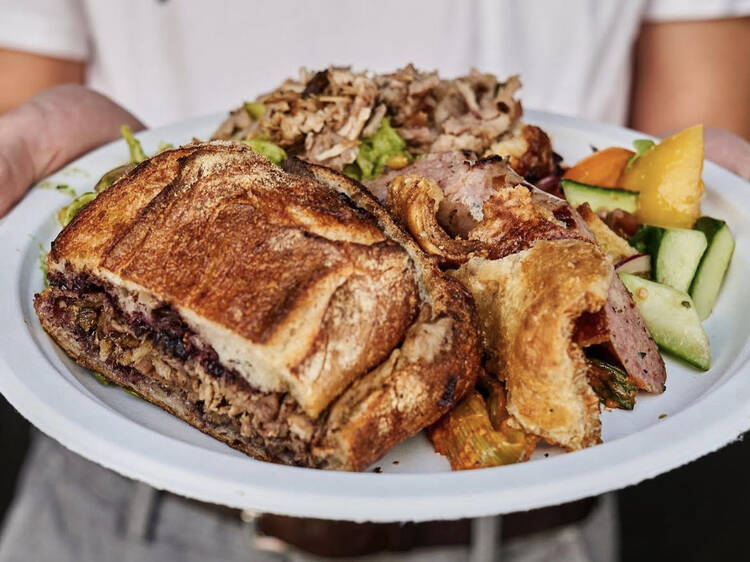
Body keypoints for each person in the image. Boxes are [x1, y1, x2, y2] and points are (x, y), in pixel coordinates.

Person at [0, 2, 749, 561]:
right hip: (117, 512)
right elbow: (23, 80)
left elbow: (692, 113)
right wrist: (41, 142)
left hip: (532, 534)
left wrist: (700, 183)